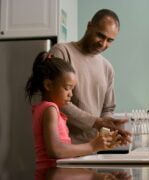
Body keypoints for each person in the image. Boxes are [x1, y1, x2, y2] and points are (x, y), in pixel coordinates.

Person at [25, 52, 122, 168]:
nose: (71, 94)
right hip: (51, 174)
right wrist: (92, 146)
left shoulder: (46, 109)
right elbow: (56, 151)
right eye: (67, 88)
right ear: (48, 85)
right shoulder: (50, 109)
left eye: (72, 89)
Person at [48, 9, 131, 144]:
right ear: (89, 26)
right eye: (100, 36)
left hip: (93, 149)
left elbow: (108, 108)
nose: (103, 44)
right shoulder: (62, 52)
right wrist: (96, 122)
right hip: (63, 148)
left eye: (109, 40)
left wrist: (107, 124)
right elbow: (55, 99)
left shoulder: (107, 68)